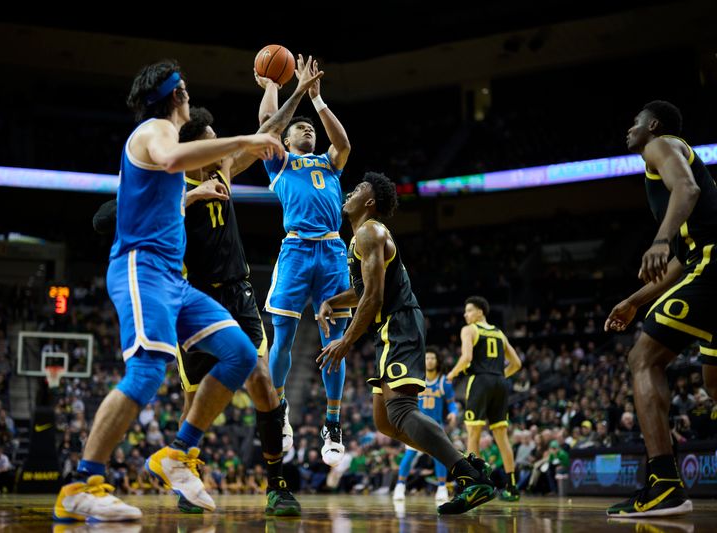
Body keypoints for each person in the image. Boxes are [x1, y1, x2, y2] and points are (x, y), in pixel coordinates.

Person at [53, 58, 284, 522]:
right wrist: (244, 140)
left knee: (241, 355)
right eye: (188, 92)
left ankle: (179, 452)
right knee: (146, 373)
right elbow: (173, 159)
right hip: (141, 270)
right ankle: (80, 484)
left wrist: (197, 189)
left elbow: (174, 179)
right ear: (178, 96)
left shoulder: (171, 144)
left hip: (174, 281)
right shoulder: (155, 131)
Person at [316, 172, 494, 514]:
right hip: (391, 328)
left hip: (398, 325)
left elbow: (374, 298)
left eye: (357, 189)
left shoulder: (371, 231)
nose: (349, 192)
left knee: (400, 410)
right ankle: (467, 464)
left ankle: (469, 476)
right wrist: (332, 303)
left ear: (369, 202)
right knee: (384, 421)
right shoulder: (360, 238)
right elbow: (363, 292)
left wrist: (345, 342)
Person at [605, 100, 717, 517]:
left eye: (634, 123)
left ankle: (665, 484)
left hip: (713, 261)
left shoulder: (662, 145)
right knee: (714, 385)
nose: (628, 131)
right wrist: (634, 300)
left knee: (643, 359)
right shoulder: (669, 160)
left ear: (651, 125)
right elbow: (686, 261)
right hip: (705, 261)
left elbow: (687, 190)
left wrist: (658, 238)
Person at [258, 56, 352, 466]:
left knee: (336, 341)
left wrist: (317, 101)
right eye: (301, 127)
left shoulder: (330, 163)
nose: (307, 130)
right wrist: (277, 87)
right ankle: (279, 412)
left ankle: (333, 421)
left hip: (331, 250)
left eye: (310, 128)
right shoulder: (279, 162)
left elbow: (344, 144)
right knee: (283, 339)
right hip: (296, 249)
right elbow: (268, 126)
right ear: (289, 137)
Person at [447, 296, 523, 501]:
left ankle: (475, 485)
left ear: (480, 312)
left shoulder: (469, 330)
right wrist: (497, 377)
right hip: (500, 382)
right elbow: (516, 363)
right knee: (501, 436)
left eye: (469, 310)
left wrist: (451, 374)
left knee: (473, 434)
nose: (465, 315)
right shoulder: (499, 333)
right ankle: (512, 487)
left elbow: (467, 358)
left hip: (480, 382)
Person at [392, 346, 458, 503]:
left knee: (439, 456)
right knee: (409, 455)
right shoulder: (416, 378)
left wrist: (453, 413)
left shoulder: (444, 382)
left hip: (436, 425)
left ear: (437, 361)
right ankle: (400, 485)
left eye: (432, 358)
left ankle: (442, 487)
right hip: (417, 424)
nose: (429, 361)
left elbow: (452, 404)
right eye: (427, 358)